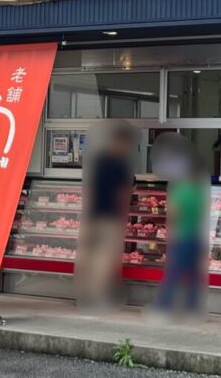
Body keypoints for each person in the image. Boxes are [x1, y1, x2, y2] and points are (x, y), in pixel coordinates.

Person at [75, 123, 135, 312]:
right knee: (103, 259)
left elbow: (90, 188)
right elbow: (124, 192)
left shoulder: (99, 160)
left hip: (91, 214)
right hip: (110, 217)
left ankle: (82, 294)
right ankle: (96, 297)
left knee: (87, 256)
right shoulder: (120, 164)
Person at [154, 153, 209, 318]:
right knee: (193, 275)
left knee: (173, 273)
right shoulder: (198, 192)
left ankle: (164, 307)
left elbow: (174, 214)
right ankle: (192, 309)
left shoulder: (180, 191)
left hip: (181, 237)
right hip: (195, 237)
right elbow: (202, 215)